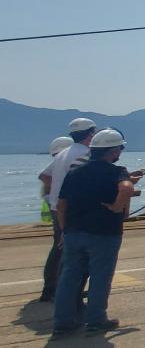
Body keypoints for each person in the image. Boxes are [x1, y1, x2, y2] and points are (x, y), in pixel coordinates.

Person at [51, 129, 134, 338]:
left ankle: (63, 323)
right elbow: (126, 188)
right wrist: (117, 207)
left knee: (69, 277)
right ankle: (96, 320)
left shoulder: (75, 172)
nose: (120, 152)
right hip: (104, 233)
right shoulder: (117, 171)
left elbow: (62, 204)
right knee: (100, 276)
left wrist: (64, 230)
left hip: (74, 232)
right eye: (120, 148)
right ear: (113, 151)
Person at [38, 118, 96, 302]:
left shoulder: (64, 153)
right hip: (72, 209)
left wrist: (52, 196)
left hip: (58, 207)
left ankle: (51, 289)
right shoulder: (85, 154)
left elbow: (45, 176)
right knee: (75, 253)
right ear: (91, 133)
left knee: (59, 248)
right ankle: (67, 293)